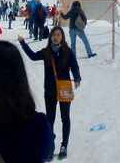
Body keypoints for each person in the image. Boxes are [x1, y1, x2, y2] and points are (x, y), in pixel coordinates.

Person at [18, 27, 80, 160]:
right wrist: (23, 43)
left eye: (58, 35)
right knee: (50, 119)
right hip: (50, 91)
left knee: (65, 118)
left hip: (64, 90)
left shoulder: (67, 52)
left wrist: (77, 78)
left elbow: (74, 66)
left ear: (62, 37)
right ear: (50, 37)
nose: (56, 37)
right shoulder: (47, 52)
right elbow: (33, 56)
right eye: (54, 35)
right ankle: (50, 148)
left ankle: (64, 146)